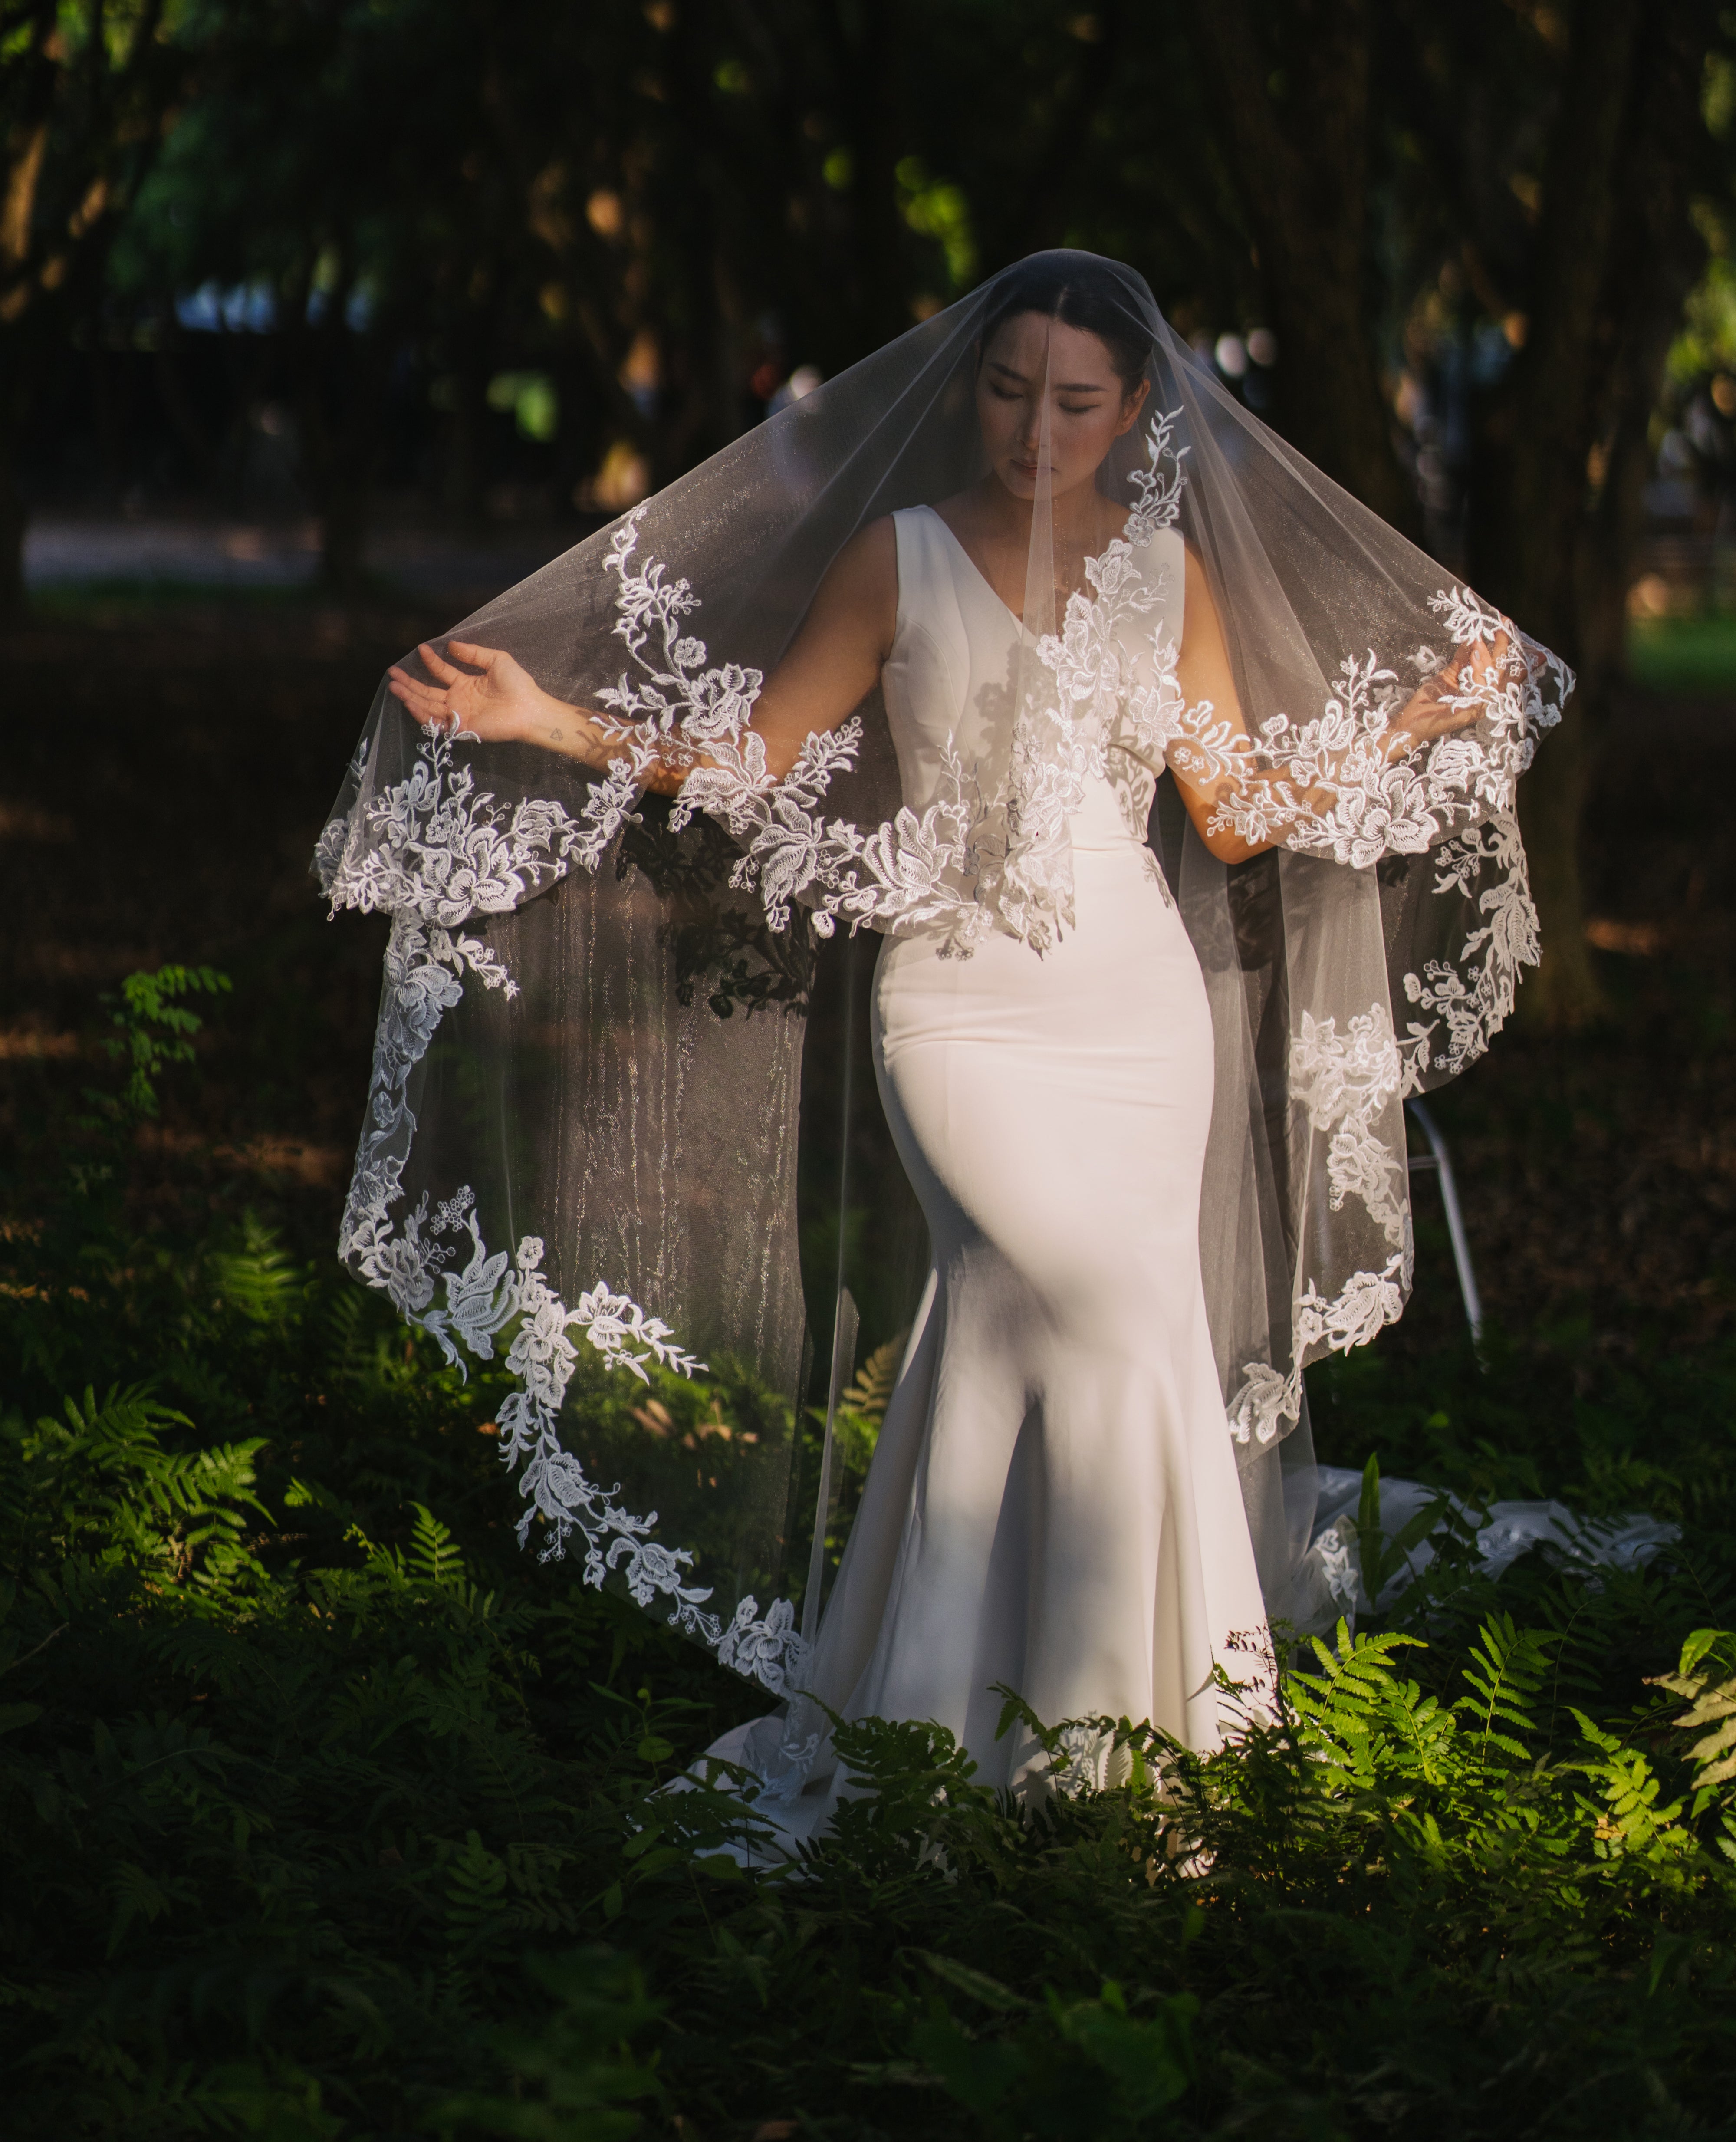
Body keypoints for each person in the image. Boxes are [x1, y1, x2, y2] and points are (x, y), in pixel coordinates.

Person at [319, 251, 1567, 1826]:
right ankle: (1032, 1768)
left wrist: (1423, 717)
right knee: (1081, 1311)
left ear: (1132, 413)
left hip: (1134, 1019)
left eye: (1075, 399)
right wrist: (546, 718)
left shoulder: (1168, 574)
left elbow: (1239, 814)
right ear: (971, 386)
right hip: (961, 1018)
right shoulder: (896, 558)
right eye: (1006, 387)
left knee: (1099, 1342)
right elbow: (752, 760)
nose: (1034, 428)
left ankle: (1073, 1759)